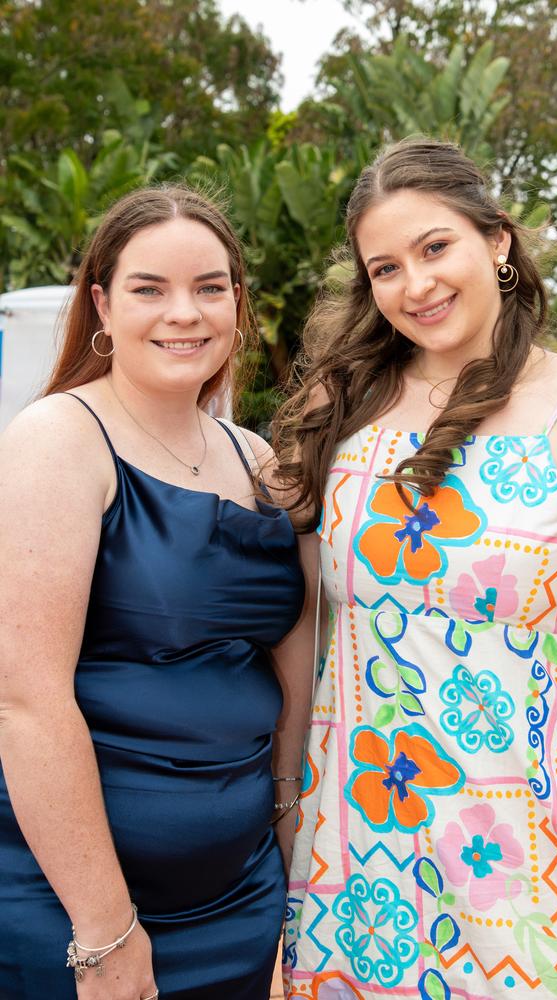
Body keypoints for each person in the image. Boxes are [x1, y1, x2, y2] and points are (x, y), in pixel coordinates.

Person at [274, 138, 557, 1000]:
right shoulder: (346, 410)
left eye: (435, 247)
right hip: (360, 854)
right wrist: (288, 807)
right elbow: (306, 624)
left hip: (542, 860)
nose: (416, 284)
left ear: (498, 241)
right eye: (385, 268)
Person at [0, 185, 316, 999]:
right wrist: (104, 928)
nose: (186, 312)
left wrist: (285, 817)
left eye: (211, 288)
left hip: (242, 895)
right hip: (76, 907)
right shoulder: (58, 440)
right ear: (103, 302)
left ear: (238, 306)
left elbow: (286, 663)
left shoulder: (257, 459)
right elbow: (25, 702)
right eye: (150, 289)